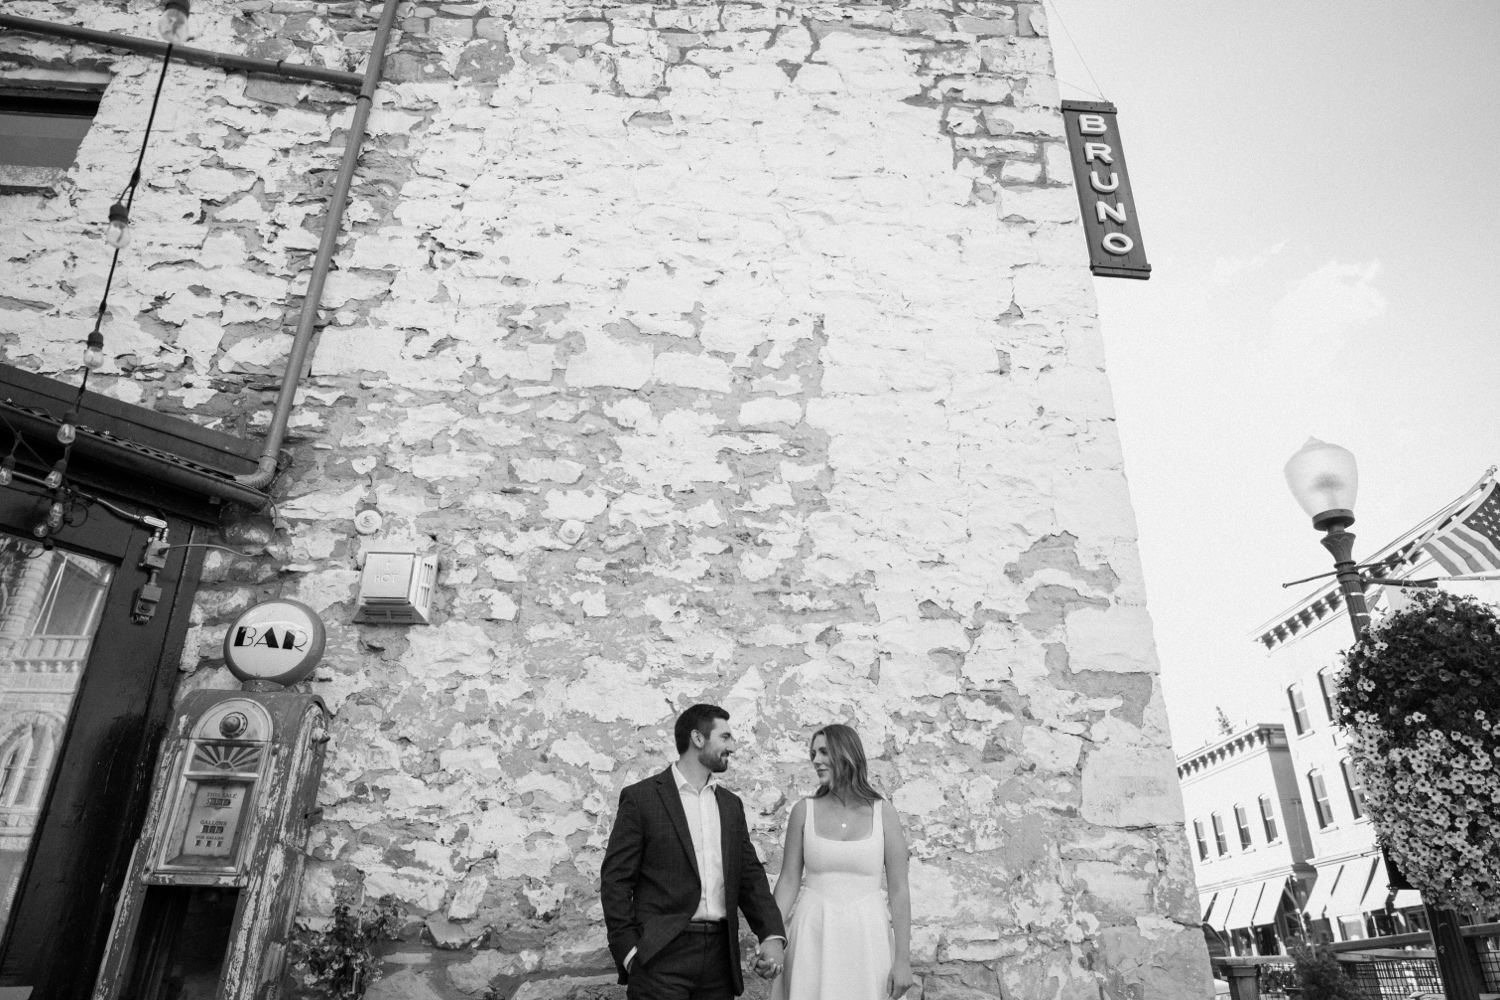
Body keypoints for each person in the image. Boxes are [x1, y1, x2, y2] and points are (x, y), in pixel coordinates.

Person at [601, 704, 788, 999]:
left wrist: (771, 934)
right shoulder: (642, 799)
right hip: (660, 956)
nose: (733, 746)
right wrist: (629, 953)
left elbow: (750, 876)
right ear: (698, 739)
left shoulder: (730, 805)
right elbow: (616, 880)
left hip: (719, 959)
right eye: (725, 737)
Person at [770, 723, 912, 1000]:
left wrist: (903, 960)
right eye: (813, 753)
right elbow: (788, 881)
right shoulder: (803, 811)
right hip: (813, 932)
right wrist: (772, 938)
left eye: (824, 752)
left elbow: (899, 889)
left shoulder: (884, 813)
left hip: (868, 935)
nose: (816, 760)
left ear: (846, 753)